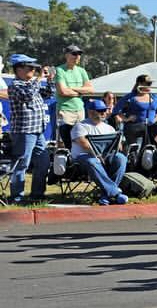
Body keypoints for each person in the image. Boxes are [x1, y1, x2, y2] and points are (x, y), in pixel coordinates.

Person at [2, 55, 53, 204]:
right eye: (30, 67)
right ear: (19, 69)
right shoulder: (15, 85)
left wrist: (49, 80)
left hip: (38, 131)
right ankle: (16, 197)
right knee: (21, 164)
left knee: (43, 162)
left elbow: (49, 94)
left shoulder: (31, 84)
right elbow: (28, 96)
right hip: (24, 131)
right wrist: (38, 78)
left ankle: (37, 194)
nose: (33, 70)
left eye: (34, 67)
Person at [69, 99, 128, 205]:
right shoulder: (80, 126)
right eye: (100, 111)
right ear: (90, 112)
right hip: (83, 160)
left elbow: (118, 147)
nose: (104, 113)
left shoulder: (109, 128)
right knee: (92, 161)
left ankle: (106, 195)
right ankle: (116, 193)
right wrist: (97, 155)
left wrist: (118, 142)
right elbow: (84, 144)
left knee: (121, 158)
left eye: (105, 111)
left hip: (105, 158)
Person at [112, 74, 157, 148]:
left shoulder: (154, 96)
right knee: (134, 151)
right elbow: (115, 110)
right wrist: (126, 119)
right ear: (139, 84)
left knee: (149, 150)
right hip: (134, 128)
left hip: (150, 128)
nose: (149, 85)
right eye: (147, 83)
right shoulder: (130, 97)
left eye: (150, 83)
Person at [54, 44, 94, 145]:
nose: (77, 56)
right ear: (66, 55)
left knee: (81, 140)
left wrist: (71, 89)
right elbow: (62, 92)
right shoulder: (59, 70)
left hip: (80, 110)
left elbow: (90, 90)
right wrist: (80, 92)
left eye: (79, 54)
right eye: (74, 54)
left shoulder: (82, 71)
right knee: (64, 142)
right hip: (65, 110)